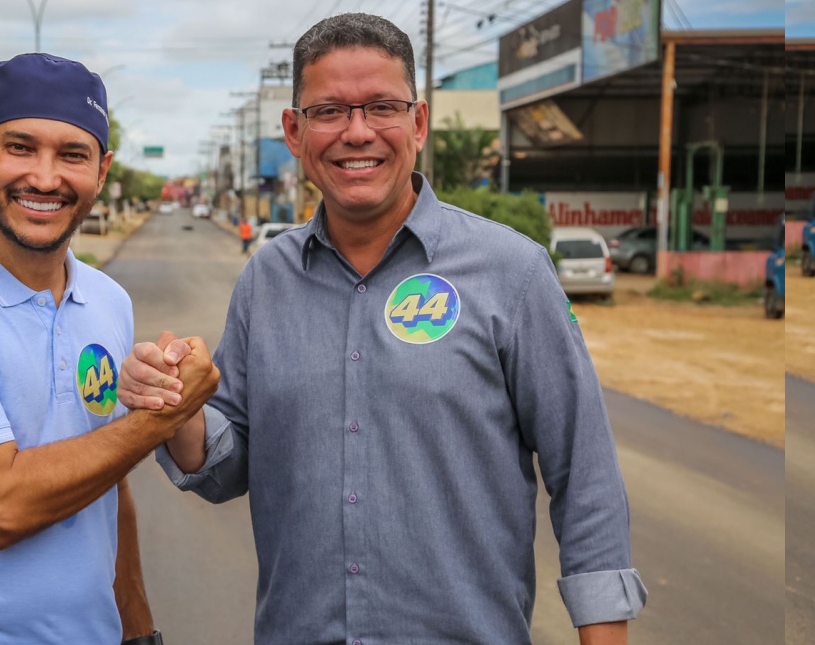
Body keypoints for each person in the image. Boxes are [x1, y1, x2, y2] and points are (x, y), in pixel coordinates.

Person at [117, 13, 645, 645]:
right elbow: (227, 468)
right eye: (330, 111)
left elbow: (583, 478)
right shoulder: (267, 281)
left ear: (418, 123)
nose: (357, 132)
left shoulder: (512, 272)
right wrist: (180, 406)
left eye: (382, 107)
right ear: (294, 130)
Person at [0, 52, 219, 644]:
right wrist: (167, 416)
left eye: (71, 155)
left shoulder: (107, 301)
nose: (45, 178)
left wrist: (138, 630)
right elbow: (0, 508)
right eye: (21, 147)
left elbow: (105, 476)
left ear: (102, 171)